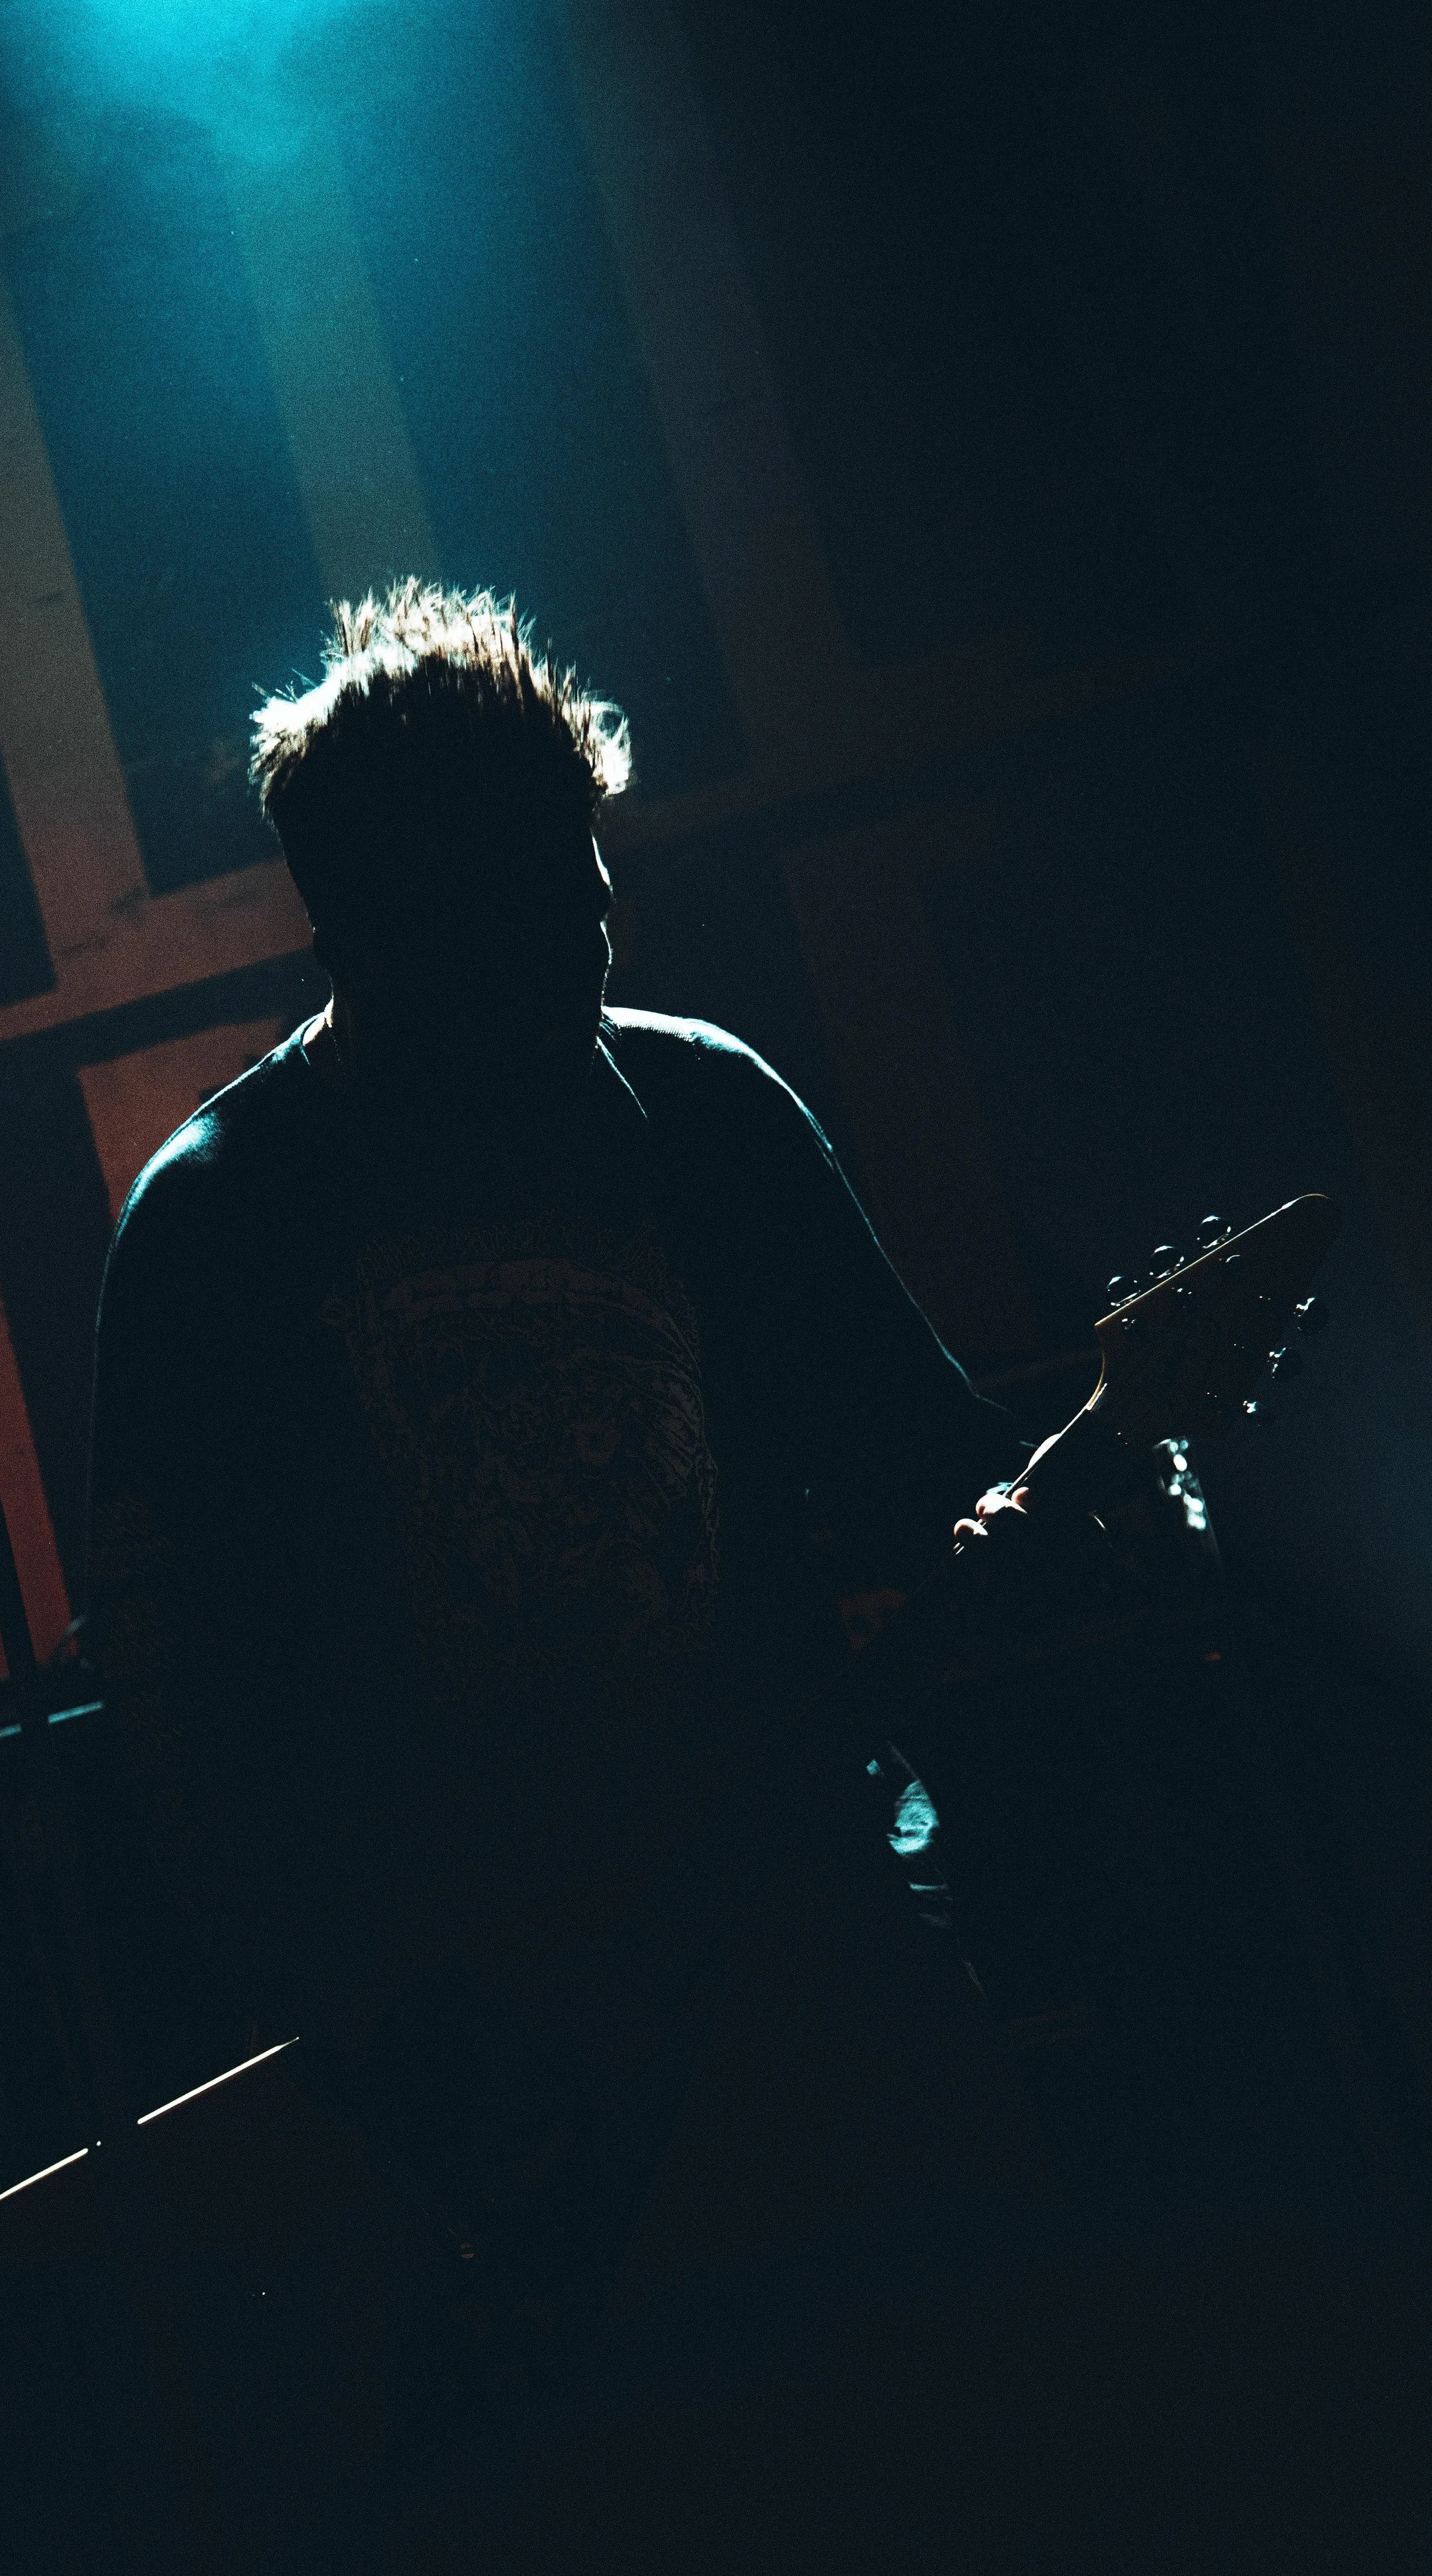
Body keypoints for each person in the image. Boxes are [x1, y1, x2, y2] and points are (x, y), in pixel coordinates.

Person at [85, 582, 1056, 2549]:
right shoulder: (221, 1223)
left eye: (588, 872)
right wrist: (395, 2053)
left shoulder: (700, 1110)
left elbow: (915, 1460)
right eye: (545, 885)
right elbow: (186, 1716)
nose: (601, 922)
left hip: (797, 1969)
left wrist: (1057, 1510)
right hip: (479, 2084)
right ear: (385, 917)